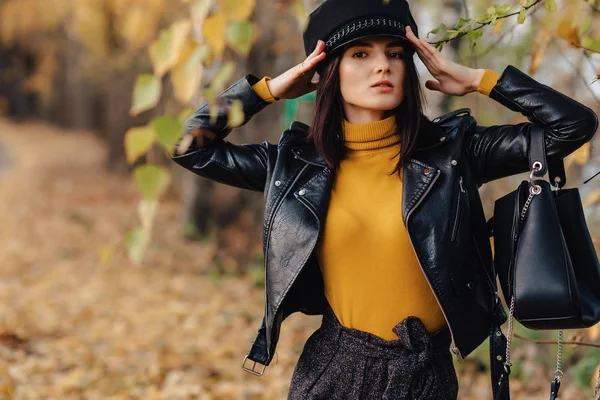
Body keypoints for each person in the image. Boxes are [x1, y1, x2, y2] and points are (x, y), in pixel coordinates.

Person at [171, 0, 599, 398]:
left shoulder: (454, 152)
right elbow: (190, 145)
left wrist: (478, 80)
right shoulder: (296, 165)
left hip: (427, 371)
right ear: (329, 70)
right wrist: (267, 90)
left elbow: (573, 126)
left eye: (395, 53)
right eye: (361, 54)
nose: (383, 66)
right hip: (339, 369)